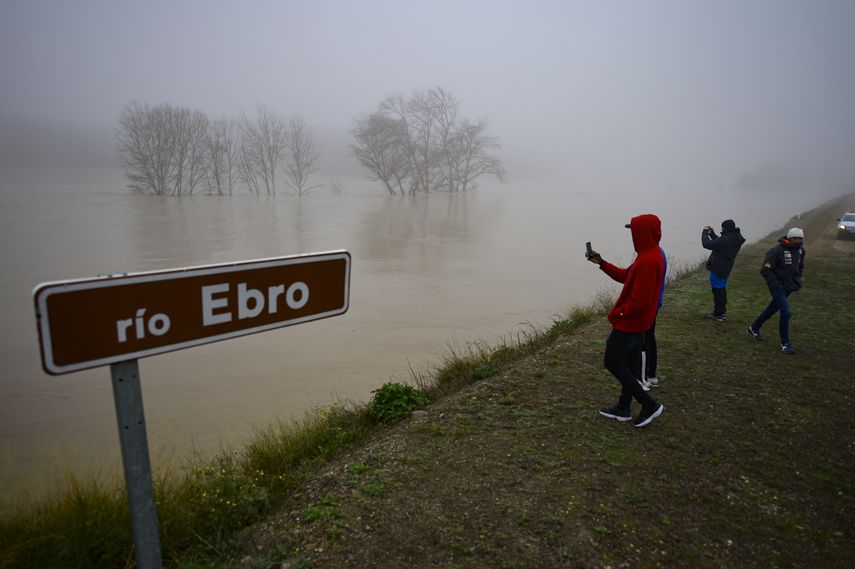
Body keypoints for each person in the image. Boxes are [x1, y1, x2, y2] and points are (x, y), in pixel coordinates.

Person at [587, 214, 665, 428]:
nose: (632, 234)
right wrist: (601, 262)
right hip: (639, 324)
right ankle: (623, 408)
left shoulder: (649, 261)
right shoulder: (648, 255)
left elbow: (640, 302)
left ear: (643, 233)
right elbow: (625, 276)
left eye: (634, 230)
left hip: (630, 324)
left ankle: (649, 404)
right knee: (628, 366)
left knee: (612, 362)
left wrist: (617, 313)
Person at [747, 228, 805, 354]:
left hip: (790, 286)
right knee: (786, 312)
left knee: (773, 308)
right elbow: (765, 270)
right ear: (789, 238)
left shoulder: (801, 250)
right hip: (778, 286)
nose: (798, 241)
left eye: (800, 239)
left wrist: (799, 278)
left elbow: (800, 266)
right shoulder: (776, 251)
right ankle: (785, 343)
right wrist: (776, 284)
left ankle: (754, 328)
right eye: (795, 238)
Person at [701, 219, 745, 321]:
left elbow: (706, 244)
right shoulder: (735, 238)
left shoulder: (726, 239)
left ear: (726, 228)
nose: (722, 229)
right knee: (721, 290)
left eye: (722, 228)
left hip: (718, 268)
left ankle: (718, 314)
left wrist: (704, 232)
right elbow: (719, 243)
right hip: (725, 268)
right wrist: (712, 234)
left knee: (718, 291)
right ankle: (722, 313)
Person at [639, 245, 667, 389]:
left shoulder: (650, 256)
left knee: (642, 340)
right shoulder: (657, 252)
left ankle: (643, 380)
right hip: (654, 302)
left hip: (648, 304)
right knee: (649, 337)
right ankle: (651, 375)